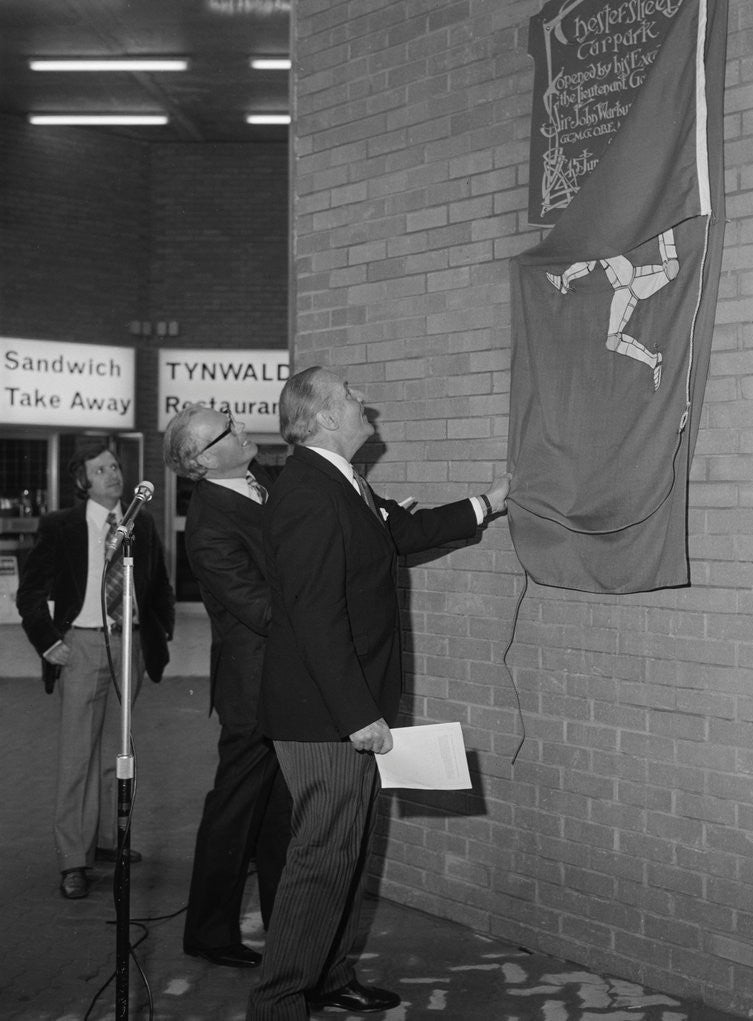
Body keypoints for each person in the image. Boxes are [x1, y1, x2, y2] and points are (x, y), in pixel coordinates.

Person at [247, 367, 510, 1021]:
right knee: (322, 855)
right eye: (353, 395)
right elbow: (315, 615)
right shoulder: (310, 492)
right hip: (325, 716)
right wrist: (357, 713)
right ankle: (277, 1003)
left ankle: (330, 977)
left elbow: (398, 531)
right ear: (328, 415)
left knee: (346, 849)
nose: (367, 402)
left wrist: (491, 501)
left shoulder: (344, 483)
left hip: (341, 709)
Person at [16, 441, 175, 900]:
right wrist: (48, 643)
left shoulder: (139, 523)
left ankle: (106, 841)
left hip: (129, 646)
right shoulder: (62, 526)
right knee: (77, 759)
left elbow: (159, 586)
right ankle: (73, 860)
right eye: (100, 469)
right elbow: (29, 594)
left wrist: (156, 636)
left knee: (115, 753)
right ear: (83, 481)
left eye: (114, 466)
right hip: (81, 647)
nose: (112, 474)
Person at [163, 405, 292, 970]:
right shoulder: (211, 524)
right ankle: (210, 934)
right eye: (229, 428)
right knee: (235, 813)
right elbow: (260, 609)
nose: (243, 428)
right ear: (201, 459)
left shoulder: (265, 483)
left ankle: (284, 928)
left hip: (285, 681)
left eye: (235, 419)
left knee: (275, 814)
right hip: (254, 686)